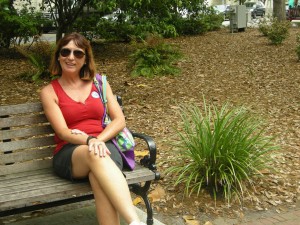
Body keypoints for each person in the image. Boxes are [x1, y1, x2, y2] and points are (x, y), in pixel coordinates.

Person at [40, 32, 146, 225]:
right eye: (65, 52)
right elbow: (63, 132)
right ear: (58, 56)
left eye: (78, 53)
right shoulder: (49, 92)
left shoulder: (99, 83)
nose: (71, 57)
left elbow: (119, 120)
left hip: (105, 145)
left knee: (98, 177)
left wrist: (98, 139)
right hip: (71, 152)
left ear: (86, 59)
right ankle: (134, 221)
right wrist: (89, 140)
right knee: (95, 155)